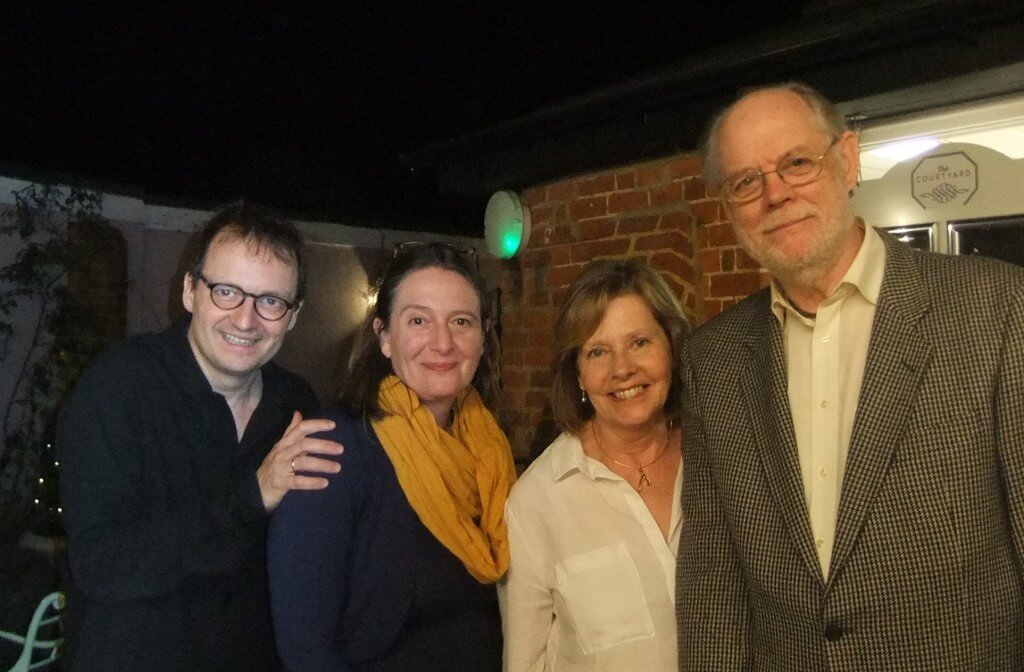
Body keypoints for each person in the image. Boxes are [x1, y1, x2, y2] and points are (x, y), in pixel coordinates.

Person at [677, 82, 1024, 670]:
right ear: (730, 208)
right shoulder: (713, 360)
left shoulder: (996, 307)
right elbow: (714, 584)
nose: (775, 195)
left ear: (848, 160)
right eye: (746, 182)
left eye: (796, 163)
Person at [56, 202, 344, 672]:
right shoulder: (118, 387)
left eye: (271, 301)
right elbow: (102, 565)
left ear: (293, 316)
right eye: (227, 292)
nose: (246, 320)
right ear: (191, 291)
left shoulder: (295, 405)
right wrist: (253, 495)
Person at [268, 241, 516, 672]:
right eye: (418, 320)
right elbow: (306, 649)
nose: (443, 343)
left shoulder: (491, 448)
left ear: (483, 337)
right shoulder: (336, 449)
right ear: (384, 337)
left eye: (461, 321)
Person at [500, 258, 688, 671]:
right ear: (578, 375)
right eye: (598, 351)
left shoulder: (717, 461)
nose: (622, 369)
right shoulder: (537, 501)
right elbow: (524, 662)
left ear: (671, 348)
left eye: (640, 342)